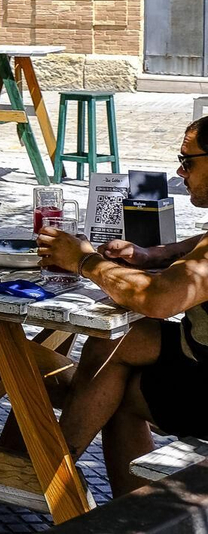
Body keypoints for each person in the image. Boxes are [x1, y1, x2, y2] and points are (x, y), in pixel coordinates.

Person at [41, 115, 208, 495]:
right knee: (114, 341)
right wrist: (155, 255)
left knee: (119, 395)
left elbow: (157, 300)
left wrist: (84, 261)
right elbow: (200, 244)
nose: (179, 172)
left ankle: (50, 477)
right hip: (197, 353)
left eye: (188, 161)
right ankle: (49, 465)